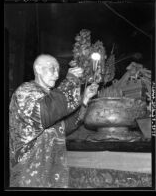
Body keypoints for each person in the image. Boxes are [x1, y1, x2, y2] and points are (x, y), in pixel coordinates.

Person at [9, 54, 99, 188]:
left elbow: (65, 127)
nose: (57, 75)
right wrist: (71, 80)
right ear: (38, 69)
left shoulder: (50, 98)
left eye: (58, 70)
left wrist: (85, 99)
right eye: (52, 69)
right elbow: (47, 113)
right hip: (29, 171)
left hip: (52, 169)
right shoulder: (25, 92)